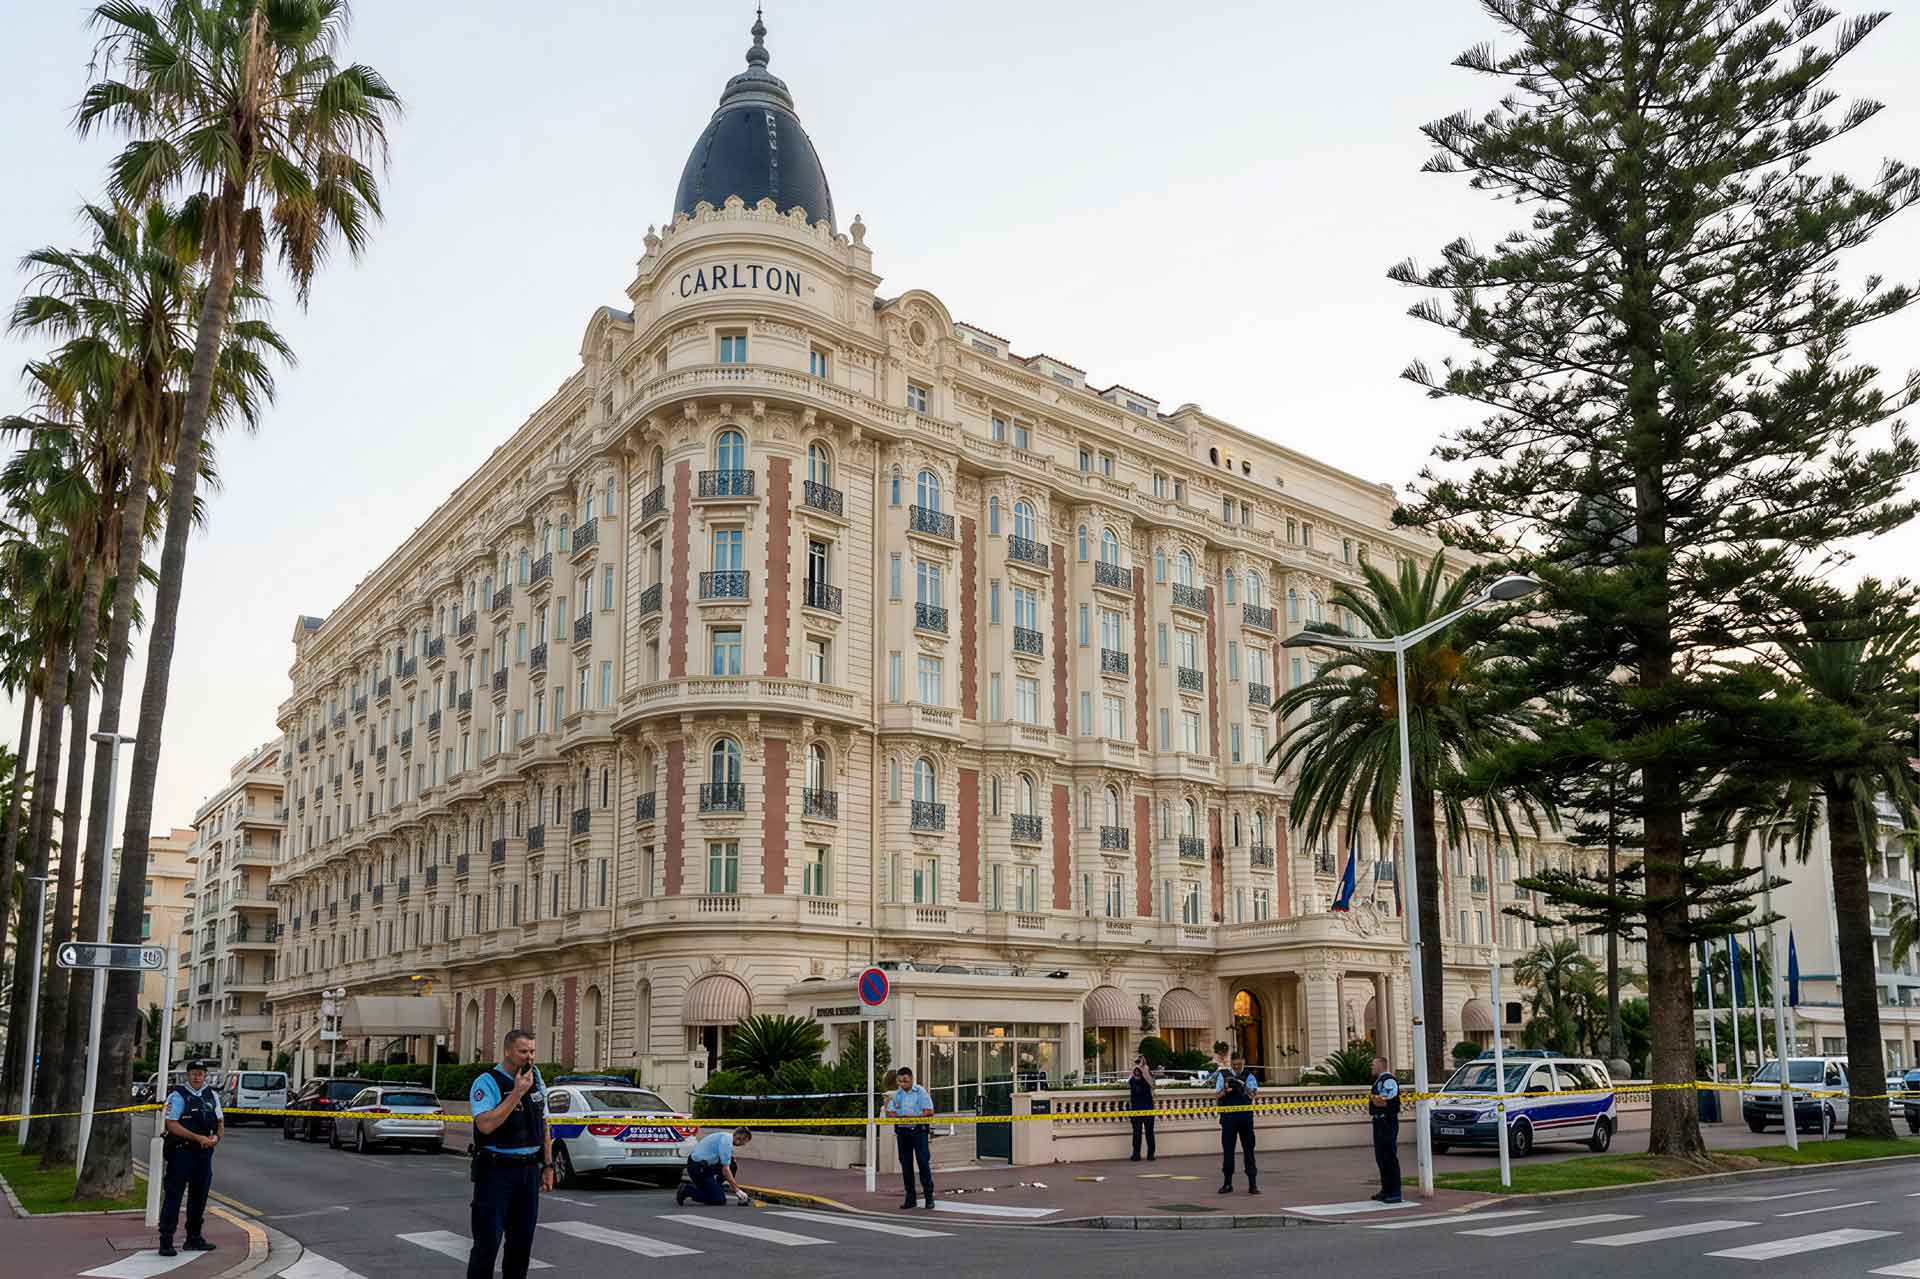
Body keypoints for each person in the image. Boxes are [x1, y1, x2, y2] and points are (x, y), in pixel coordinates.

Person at [466, 1029, 552, 1279]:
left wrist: (547, 1165)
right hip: (495, 1171)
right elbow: (485, 1125)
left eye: (532, 1051)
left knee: (521, 1244)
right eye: (523, 1051)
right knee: (487, 1244)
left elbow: (544, 1123)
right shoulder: (487, 1082)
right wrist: (516, 1093)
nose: (529, 1057)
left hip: (528, 1171)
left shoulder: (535, 1076)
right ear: (507, 1051)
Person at [157, 1059, 223, 1257]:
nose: (197, 1077)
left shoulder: (212, 1095)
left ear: (205, 1076)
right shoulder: (178, 1096)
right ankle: (166, 1240)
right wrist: (197, 1138)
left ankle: (194, 1238)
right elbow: (171, 1123)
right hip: (181, 1152)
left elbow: (220, 1122)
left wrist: (216, 1138)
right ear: (188, 1075)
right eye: (193, 1073)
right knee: (174, 1196)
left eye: (200, 1074)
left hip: (204, 1153)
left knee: (199, 1196)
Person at [884, 1064, 935, 1208]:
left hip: (919, 1132)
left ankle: (929, 1197)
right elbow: (890, 1114)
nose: (902, 1084)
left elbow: (929, 1110)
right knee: (906, 1166)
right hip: (903, 1133)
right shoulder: (897, 1095)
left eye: (905, 1081)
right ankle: (910, 1198)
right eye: (900, 1081)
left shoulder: (920, 1092)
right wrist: (893, 1110)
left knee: (923, 1163)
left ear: (911, 1079)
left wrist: (912, 1117)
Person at [1213, 1051, 1259, 1194]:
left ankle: (1253, 1183)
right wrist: (1226, 1089)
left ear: (1243, 1062)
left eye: (1240, 1065)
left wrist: (1243, 1086)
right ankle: (1227, 1183)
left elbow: (1253, 1095)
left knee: (1249, 1150)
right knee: (1228, 1151)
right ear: (1230, 1063)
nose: (1237, 1067)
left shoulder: (1249, 1075)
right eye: (1234, 1065)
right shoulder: (1223, 1075)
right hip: (1228, 1118)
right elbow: (1217, 1095)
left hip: (1245, 1118)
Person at [677, 1127, 754, 1206]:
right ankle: (687, 1190)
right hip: (698, 1169)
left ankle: (715, 1188)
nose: (744, 1144)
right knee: (719, 1200)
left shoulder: (726, 1137)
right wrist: (737, 1190)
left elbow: (727, 1164)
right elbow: (725, 1170)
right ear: (739, 1138)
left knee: (732, 1164)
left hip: (704, 1166)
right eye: (745, 1141)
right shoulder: (726, 1143)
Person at [1368, 1056, 1403, 1204]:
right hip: (1379, 1121)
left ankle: (1394, 1192)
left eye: (1373, 1065)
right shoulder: (1379, 1081)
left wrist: (1378, 1102)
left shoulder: (1388, 1080)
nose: (1371, 1067)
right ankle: (1386, 1190)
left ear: (1381, 1066)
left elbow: (1386, 1100)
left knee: (1389, 1157)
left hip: (1387, 1122)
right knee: (1381, 1157)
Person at [1128, 1056, 1157, 1161]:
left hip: (1147, 1107)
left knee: (1148, 1132)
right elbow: (1133, 1079)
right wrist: (1139, 1067)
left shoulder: (1147, 1077)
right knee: (1137, 1132)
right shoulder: (1134, 1079)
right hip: (1137, 1108)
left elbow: (1152, 1084)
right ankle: (1136, 1154)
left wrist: (1143, 1068)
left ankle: (1150, 1154)